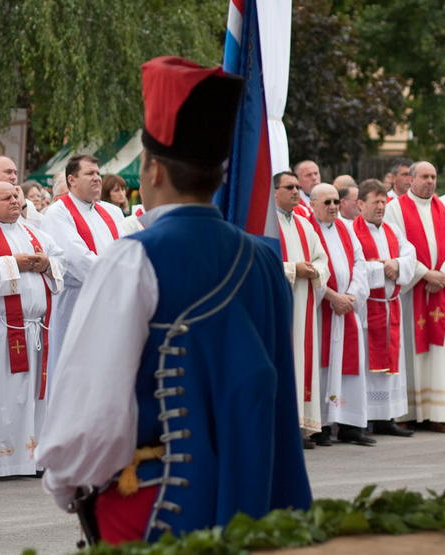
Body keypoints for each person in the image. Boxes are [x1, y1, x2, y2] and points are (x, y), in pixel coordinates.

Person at [37, 55, 311, 544]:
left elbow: (87, 418)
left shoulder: (130, 260)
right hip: (259, 508)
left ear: (154, 170)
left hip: (157, 513)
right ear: (220, 175)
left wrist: (67, 486)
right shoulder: (267, 263)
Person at [0, 183, 64, 478]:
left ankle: (31, 458)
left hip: (34, 331)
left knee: (30, 397)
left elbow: (61, 262)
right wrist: (15, 263)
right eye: (6, 198)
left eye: (16, 196)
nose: (14, 201)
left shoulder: (35, 233)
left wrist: (46, 264)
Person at [383, 161, 445, 433]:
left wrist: (443, 274)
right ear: (410, 180)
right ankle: (406, 412)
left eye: (433, 176)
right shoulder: (395, 209)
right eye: (424, 176)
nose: (430, 181)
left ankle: (438, 414)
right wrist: (424, 274)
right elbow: (396, 247)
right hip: (412, 294)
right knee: (410, 351)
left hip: (441, 290)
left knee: (440, 354)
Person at [40, 155, 123, 378]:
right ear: (72, 180)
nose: (97, 178)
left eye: (98, 173)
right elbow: (77, 260)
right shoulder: (58, 213)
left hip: (109, 300)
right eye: (89, 173)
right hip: (77, 301)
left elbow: (126, 250)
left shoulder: (112, 212)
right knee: (75, 372)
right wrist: (121, 276)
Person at [309, 183, 372, 446]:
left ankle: (350, 425)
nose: (334, 207)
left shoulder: (346, 229)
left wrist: (351, 295)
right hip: (323, 310)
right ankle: (321, 425)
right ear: (313, 205)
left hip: (346, 309)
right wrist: (332, 296)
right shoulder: (308, 230)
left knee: (349, 367)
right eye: (327, 203)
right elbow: (312, 268)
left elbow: (360, 263)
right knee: (322, 367)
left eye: (336, 201)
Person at [352, 179, 415, 438]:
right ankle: (364, 416)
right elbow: (354, 266)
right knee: (367, 363)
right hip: (369, 308)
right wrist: (383, 268)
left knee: (391, 361)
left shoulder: (393, 230)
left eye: (383, 201)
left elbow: (410, 256)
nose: (381, 206)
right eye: (375, 201)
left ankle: (386, 417)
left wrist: (396, 264)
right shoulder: (352, 231)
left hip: (391, 306)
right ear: (360, 204)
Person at [274, 170, 329, 444]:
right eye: (289, 187)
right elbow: (259, 262)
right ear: (274, 192)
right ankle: (282, 427)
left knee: (302, 360)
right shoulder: (266, 224)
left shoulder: (304, 225)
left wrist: (313, 270)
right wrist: (293, 269)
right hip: (278, 307)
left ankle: (300, 424)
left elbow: (322, 260)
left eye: (297, 187)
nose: (296, 191)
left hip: (303, 305)